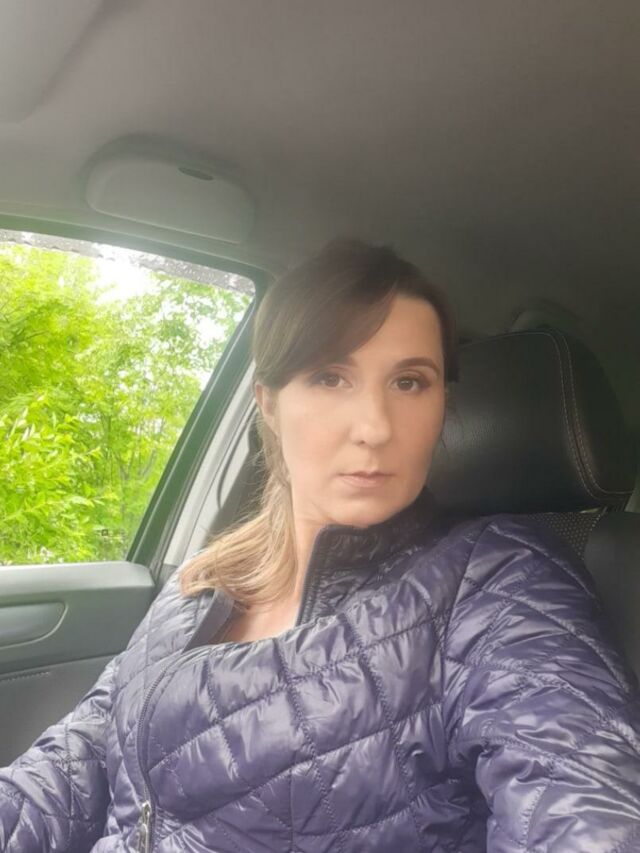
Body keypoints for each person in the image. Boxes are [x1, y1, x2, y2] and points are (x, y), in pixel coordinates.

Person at [1, 239, 639, 852]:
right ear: (269, 404)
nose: (375, 427)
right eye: (331, 377)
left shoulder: (497, 583)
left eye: (410, 382)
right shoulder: (198, 582)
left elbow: (582, 804)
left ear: (444, 403)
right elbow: (72, 762)